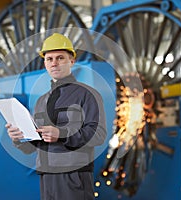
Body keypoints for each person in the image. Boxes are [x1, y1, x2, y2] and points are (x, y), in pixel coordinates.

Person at [6, 33, 107, 200]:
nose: (54, 63)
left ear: (72, 61)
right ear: (45, 63)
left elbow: (98, 135)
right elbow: (33, 146)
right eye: (49, 59)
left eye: (60, 58)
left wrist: (61, 134)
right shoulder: (41, 101)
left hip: (74, 175)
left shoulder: (87, 94)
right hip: (46, 176)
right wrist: (19, 137)